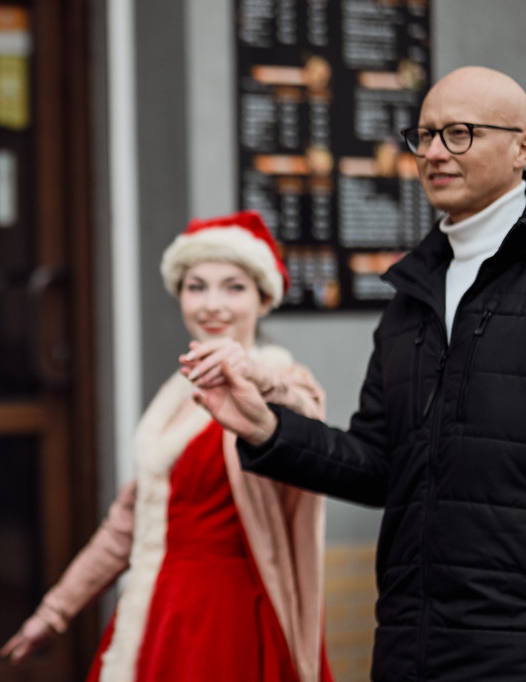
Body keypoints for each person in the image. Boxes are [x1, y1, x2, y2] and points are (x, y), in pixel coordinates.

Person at [184, 66, 526, 682]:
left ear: (522, 147)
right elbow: (378, 466)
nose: (433, 154)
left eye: (460, 134)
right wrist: (265, 427)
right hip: (406, 644)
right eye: (422, 135)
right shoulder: (411, 296)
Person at [0, 210, 333, 682]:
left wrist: (258, 378)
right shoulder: (181, 391)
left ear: (263, 299)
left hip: (228, 618)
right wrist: (55, 611)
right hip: (160, 609)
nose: (212, 304)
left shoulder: (277, 379)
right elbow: (128, 523)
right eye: (196, 286)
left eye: (234, 287)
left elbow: (310, 428)